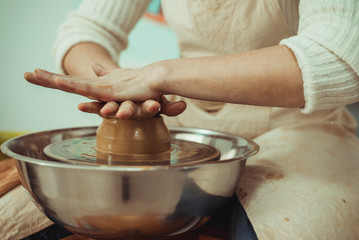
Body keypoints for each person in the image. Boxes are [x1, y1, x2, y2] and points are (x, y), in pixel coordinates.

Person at [22, 0, 359, 239]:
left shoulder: (165, 76)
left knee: (292, 226)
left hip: (301, 126)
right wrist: (117, 87)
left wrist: (161, 75)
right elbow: (86, 30)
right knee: (17, 218)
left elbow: (338, 55)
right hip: (187, 122)